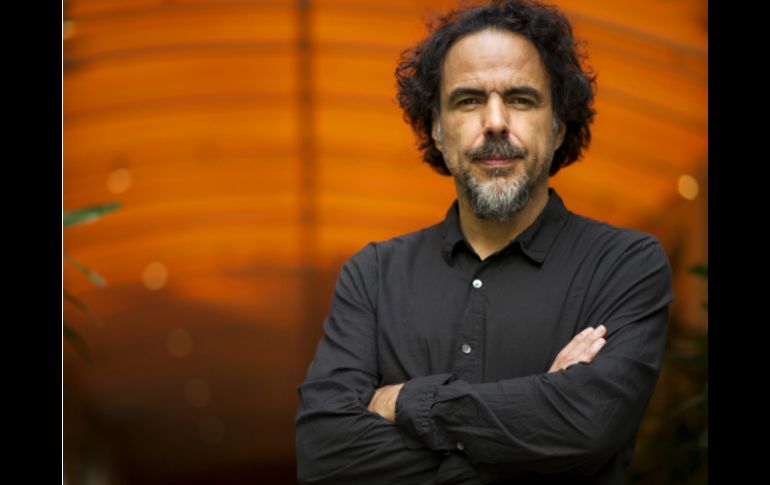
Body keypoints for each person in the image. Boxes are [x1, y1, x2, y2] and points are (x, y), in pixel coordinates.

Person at [295, 1, 674, 483]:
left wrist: (407, 401)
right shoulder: (373, 276)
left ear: (558, 126)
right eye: (469, 100)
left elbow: (587, 423)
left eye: (521, 99)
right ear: (436, 128)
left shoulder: (623, 265)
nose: (495, 122)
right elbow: (325, 456)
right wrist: (534, 432)